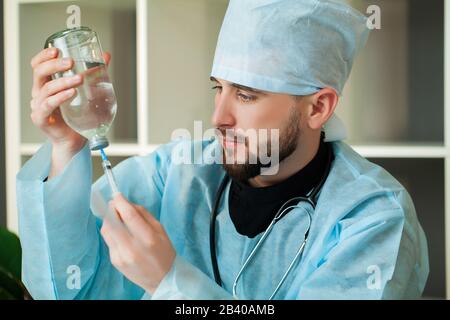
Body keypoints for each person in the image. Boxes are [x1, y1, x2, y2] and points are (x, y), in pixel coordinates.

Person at [18, 0, 428, 299]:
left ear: (317, 107)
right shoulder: (179, 172)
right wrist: (65, 144)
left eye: (246, 96)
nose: (219, 117)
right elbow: (68, 290)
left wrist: (170, 282)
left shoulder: (373, 218)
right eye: (219, 88)